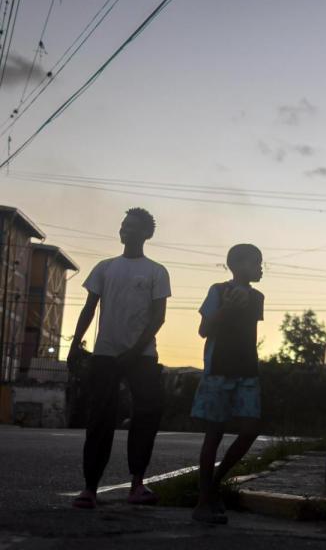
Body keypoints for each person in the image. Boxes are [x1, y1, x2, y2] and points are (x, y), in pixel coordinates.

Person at [70, 208, 171, 509]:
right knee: (99, 418)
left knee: (147, 413)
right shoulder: (105, 267)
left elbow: (158, 317)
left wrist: (135, 351)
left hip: (142, 356)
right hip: (105, 353)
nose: (125, 230)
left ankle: (137, 484)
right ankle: (90, 488)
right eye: (124, 225)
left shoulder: (156, 271)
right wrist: (75, 344)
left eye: (133, 226)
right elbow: (89, 308)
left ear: (147, 234)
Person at [190, 244, 265, 525]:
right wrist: (226, 308)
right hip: (219, 370)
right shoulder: (218, 290)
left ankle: (214, 485)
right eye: (255, 263)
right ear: (237, 265)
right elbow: (204, 330)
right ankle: (203, 501)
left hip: (247, 371)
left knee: (250, 429)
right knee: (214, 433)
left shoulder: (258, 297)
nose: (260, 268)